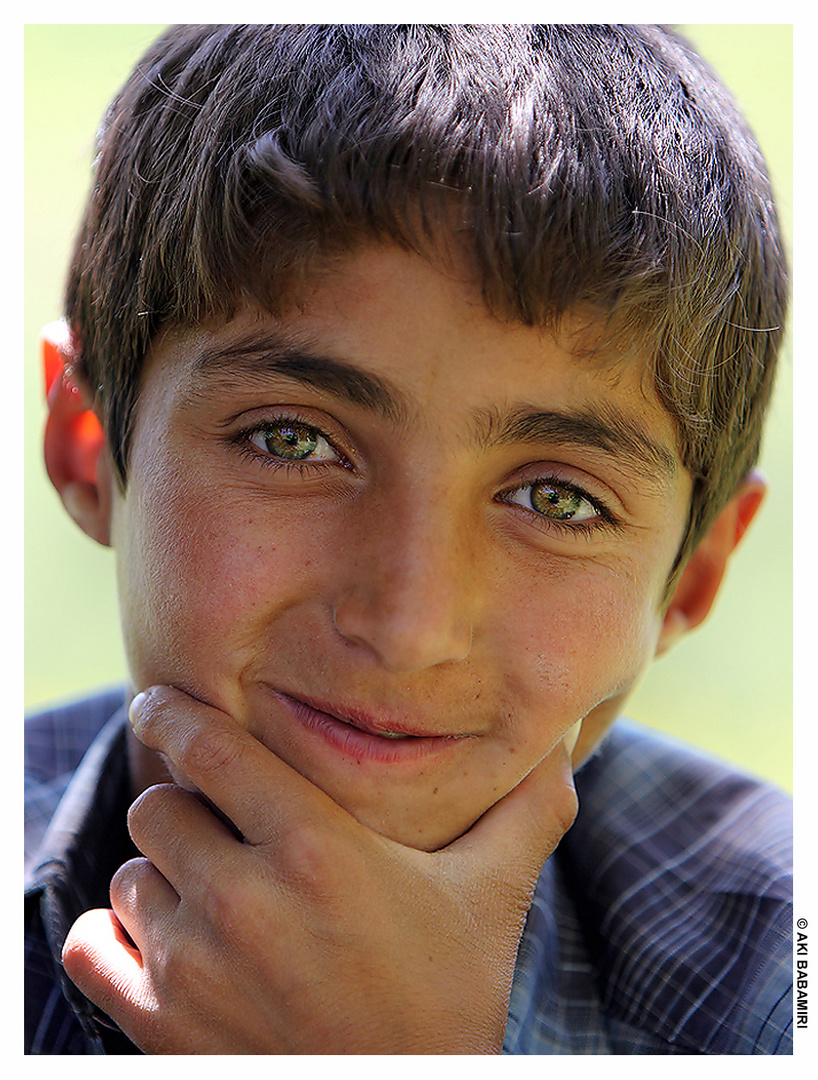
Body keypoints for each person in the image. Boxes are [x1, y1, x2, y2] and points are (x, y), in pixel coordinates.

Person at [25, 24, 792, 1055]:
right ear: (86, 446)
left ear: (691, 578)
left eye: (556, 501)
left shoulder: (780, 979)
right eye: (293, 440)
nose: (410, 624)